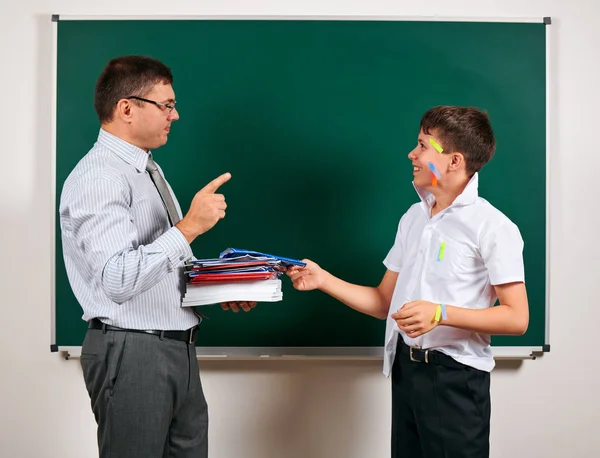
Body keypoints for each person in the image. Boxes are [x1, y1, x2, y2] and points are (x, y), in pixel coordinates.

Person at [288, 106, 529, 458]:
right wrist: (322, 279)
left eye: (422, 146)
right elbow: (384, 302)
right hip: (406, 371)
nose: (411, 154)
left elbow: (516, 318)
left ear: (454, 161)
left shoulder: (493, 227)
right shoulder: (414, 218)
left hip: (455, 379)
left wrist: (440, 313)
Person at [59, 55, 254, 458]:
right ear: (126, 108)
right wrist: (189, 227)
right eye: (166, 105)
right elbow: (117, 279)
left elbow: (158, 267)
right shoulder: (101, 177)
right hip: (133, 353)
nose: (175, 115)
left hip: (176, 348)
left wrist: (215, 287)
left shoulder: (147, 169)